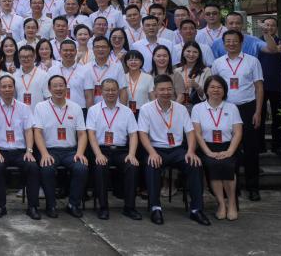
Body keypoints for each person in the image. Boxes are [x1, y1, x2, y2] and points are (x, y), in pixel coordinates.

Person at [137, 74, 210, 225]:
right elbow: (142, 134)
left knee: (195, 164)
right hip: (156, 149)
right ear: (155, 91)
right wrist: (152, 153)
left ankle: (196, 209)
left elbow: (190, 132)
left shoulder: (181, 109)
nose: (166, 92)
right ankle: (155, 208)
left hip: (177, 150)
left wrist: (191, 151)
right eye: (162, 89)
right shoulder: (146, 109)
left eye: (169, 89)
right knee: (151, 164)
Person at [211, 29, 264, 201]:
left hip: (247, 107)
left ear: (241, 42)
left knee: (251, 149)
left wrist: (258, 111)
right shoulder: (218, 63)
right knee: (229, 148)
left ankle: (253, 187)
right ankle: (232, 187)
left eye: (234, 41)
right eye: (228, 41)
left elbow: (259, 88)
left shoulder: (253, 61)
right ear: (223, 43)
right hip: (226, 109)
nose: (231, 44)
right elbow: (214, 87)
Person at [0, 73, 41, 219]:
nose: (7, 89)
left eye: (10, 86)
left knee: (33, 167)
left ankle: (33, 207)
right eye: (4, 87)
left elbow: (28, 131)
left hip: (20, 151)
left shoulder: (24, 108)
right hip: (0, 151)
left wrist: (29, 151)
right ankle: (0, 206)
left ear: (14, 88)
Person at [33, 74, 89, 218]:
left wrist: (80, 153)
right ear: (49, 89)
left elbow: (82, 134)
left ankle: (73, 204)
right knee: (47, 167)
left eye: (61, 85)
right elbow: (37, 132)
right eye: (55, 86)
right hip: (49, 150)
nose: (58, 89)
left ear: (66, 88)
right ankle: (51, 205)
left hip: (70, 151)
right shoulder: (40, 107)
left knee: (81, 167)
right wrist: (44, 154)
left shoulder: (75, 107)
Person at [86, 78, 142, 220]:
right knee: (100, 165)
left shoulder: (127, 111)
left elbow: (133, 134)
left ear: (118, 91)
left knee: (132, 166)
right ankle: (103, 207)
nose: (110, 92)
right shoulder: (93, 110)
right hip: (101, 150)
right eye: (107, 90)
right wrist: (98, 154)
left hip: (121, 150)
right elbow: (91, 134)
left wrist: (131, 154)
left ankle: (129, 207)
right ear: (101, 91)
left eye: (113, 90)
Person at [191, 75, 243, 220]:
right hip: (206, 147)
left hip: (228, 146)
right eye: (212, 87)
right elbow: (197, 133)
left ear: (224, 90)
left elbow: (238, 132)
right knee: (213, 164)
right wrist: (208, 152)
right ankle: (221, 204)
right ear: (206, 90)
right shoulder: (198, 108)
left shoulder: (232, 108)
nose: (216, 90)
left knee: (227, 164)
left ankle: (231, 203)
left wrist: (230, 151)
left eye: (219, 87)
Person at [256, 17, 281, 156]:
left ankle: (277, 146)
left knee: (278, 117)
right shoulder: (257, 42)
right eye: (267, 25)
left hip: (277, 85)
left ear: (276, 27)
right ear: (262, 27)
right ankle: (260, 146)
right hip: (260, 86)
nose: (269, 27)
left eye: (272, 25)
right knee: (260, 115)